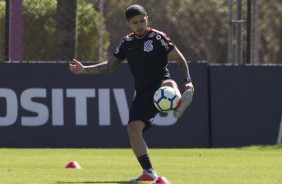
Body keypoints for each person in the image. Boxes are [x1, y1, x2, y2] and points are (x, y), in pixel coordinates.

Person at [69, 4, 194, 182]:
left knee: (167, 84)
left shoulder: (158, 37)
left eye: (142, 21)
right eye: (135, 22)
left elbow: (179, 58)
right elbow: (109, 66)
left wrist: (188, 82)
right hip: (142, 92)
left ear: (147, 19)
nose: (140, 25)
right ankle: (149, 172)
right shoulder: (126, 43)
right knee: (133, 129)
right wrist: (84, 70)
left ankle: (178, 100)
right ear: (129, 24)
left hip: (160, 83)